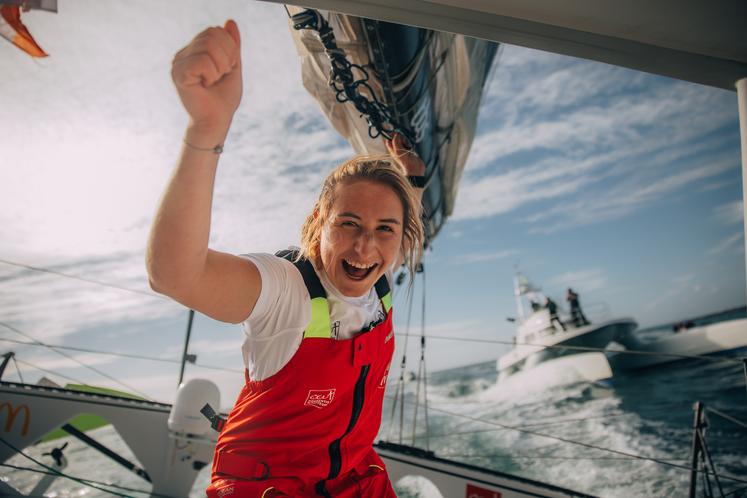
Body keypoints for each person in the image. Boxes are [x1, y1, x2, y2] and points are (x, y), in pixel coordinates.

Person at [146, 20, 425, 498]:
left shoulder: (378, 276)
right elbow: (176, 274)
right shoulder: (286, 288)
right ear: (320, 220)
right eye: (348, 224)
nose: (364, 249)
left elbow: (400, 219)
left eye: (384, 231)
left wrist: (412, 178)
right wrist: (207, 127)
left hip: (356, 480)